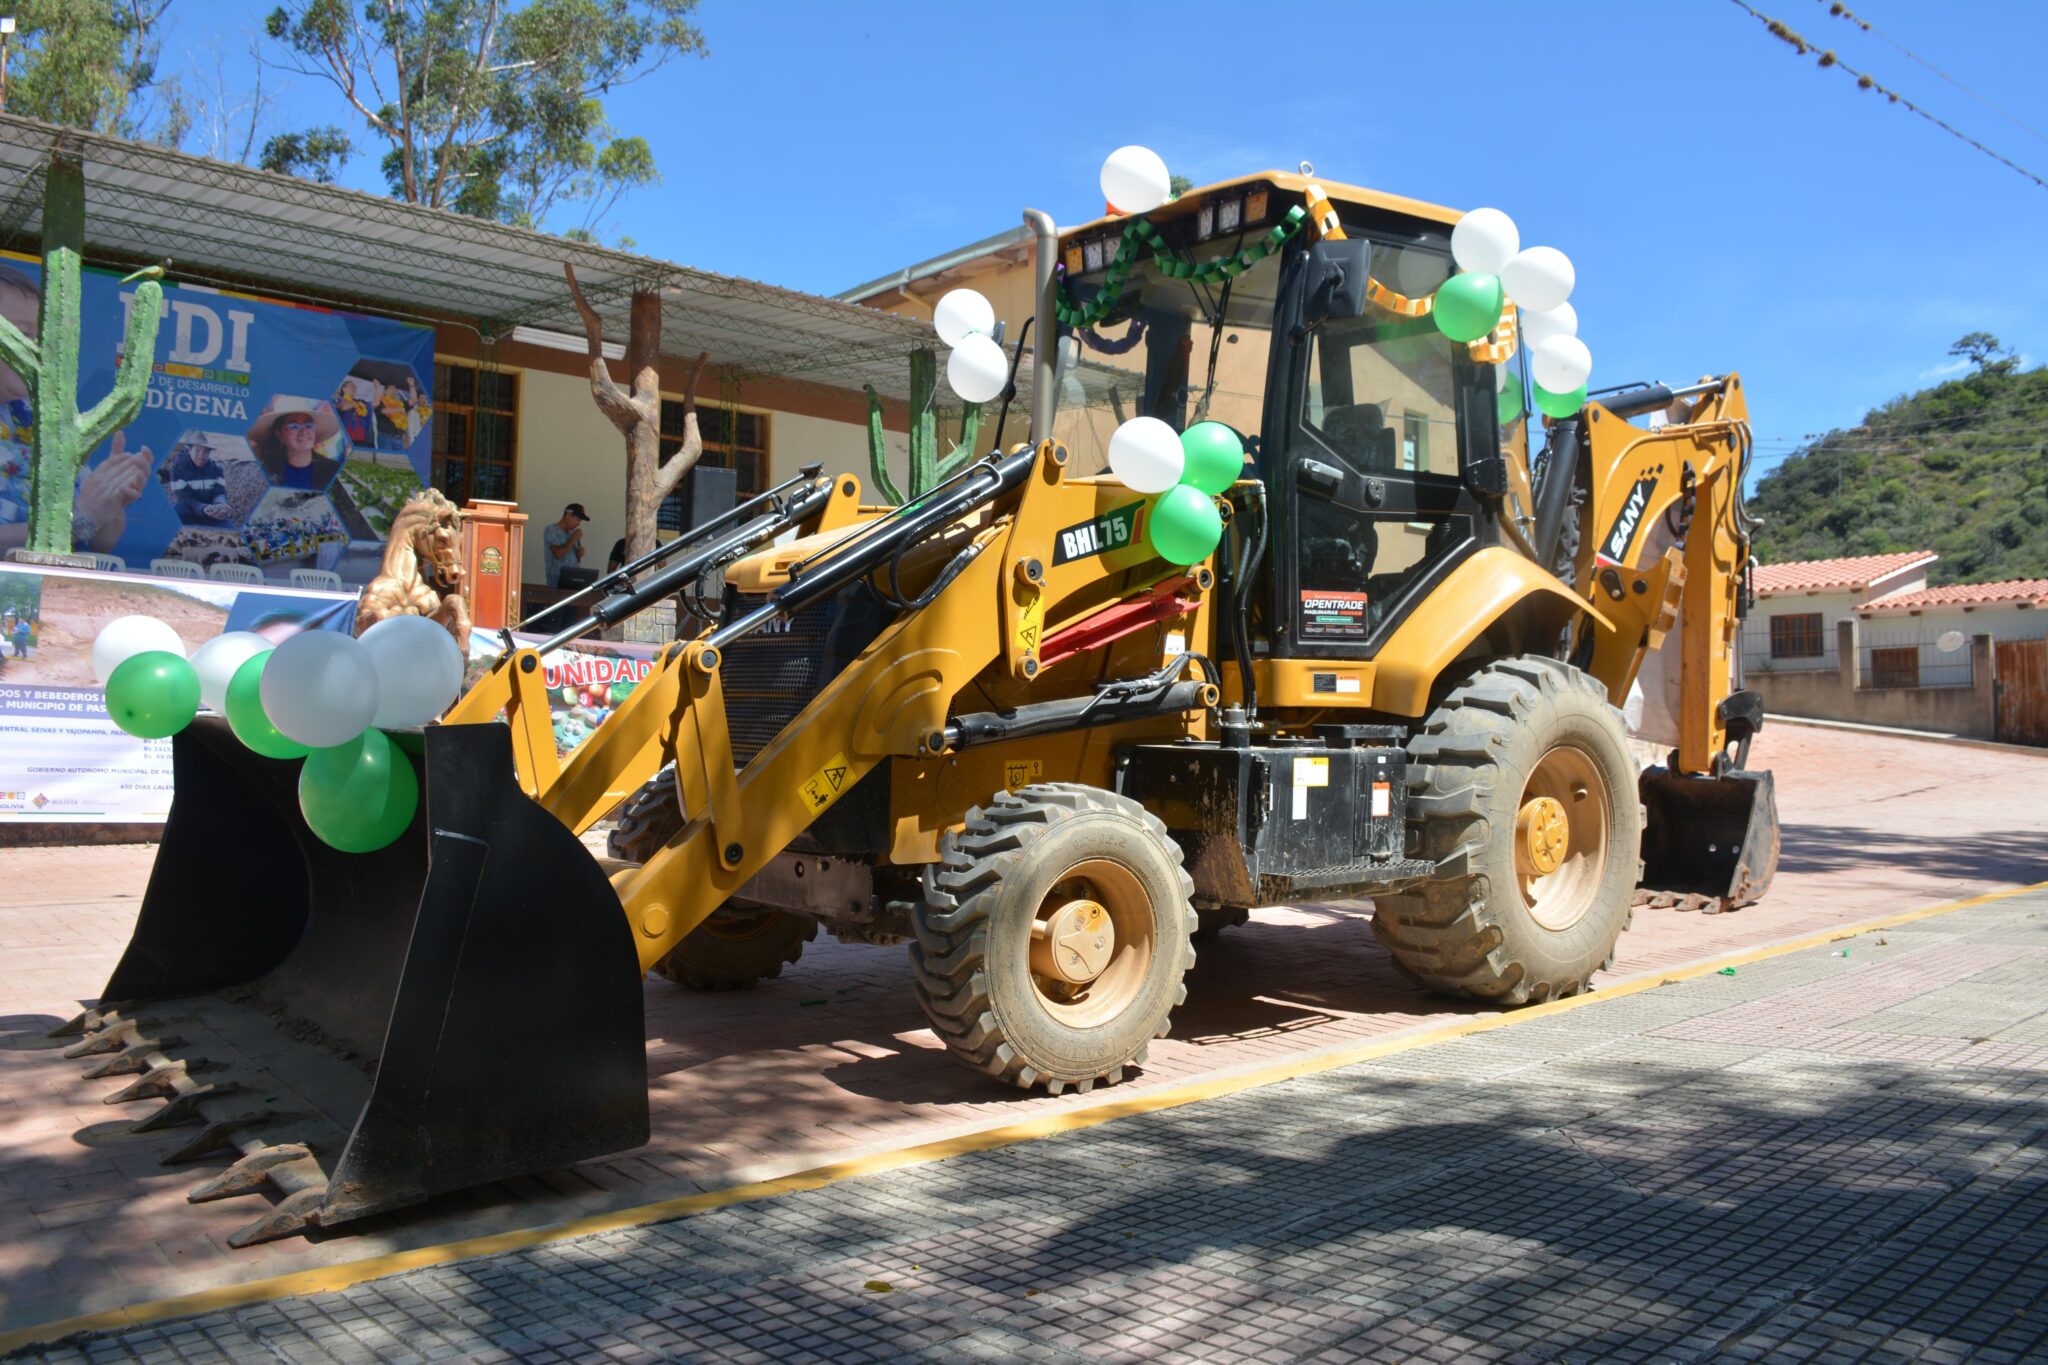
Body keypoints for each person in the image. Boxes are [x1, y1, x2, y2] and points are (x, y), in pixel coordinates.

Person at [249, 400, 342, 491]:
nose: (304, 431)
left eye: (308, 425)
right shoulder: (265, 471)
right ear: (279, 435)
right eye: (294, 426)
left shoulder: (333, 471)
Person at [164, 435, 232, 523]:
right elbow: (185, 498)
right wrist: (203, 508)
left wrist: (220, 503)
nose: (201, 456)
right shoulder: (177, 469)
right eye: (197, 450)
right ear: (189, 450)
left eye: (206, 452)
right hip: (187, 510)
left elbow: (219, 492)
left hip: (212, 511)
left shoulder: (217, 469)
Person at [544, 503, 588, 587]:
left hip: (573, 582)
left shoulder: (572, 533)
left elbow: (573, 557)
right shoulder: (551, 530)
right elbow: (558, 554)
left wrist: (579, 553)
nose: (578, 523)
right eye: (577, 519)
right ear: (568, 515)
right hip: (556, 583)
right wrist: (573, 538)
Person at [335, 379, 375, 446]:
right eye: (351, 386)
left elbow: (374, 403)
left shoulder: (360, 402)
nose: (354, 388)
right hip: (345, 439)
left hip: (361, 439)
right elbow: (343, 407)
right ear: (343, 389)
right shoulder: (338, 400)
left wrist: (377, 389)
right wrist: (356, 404)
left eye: (355, 387)